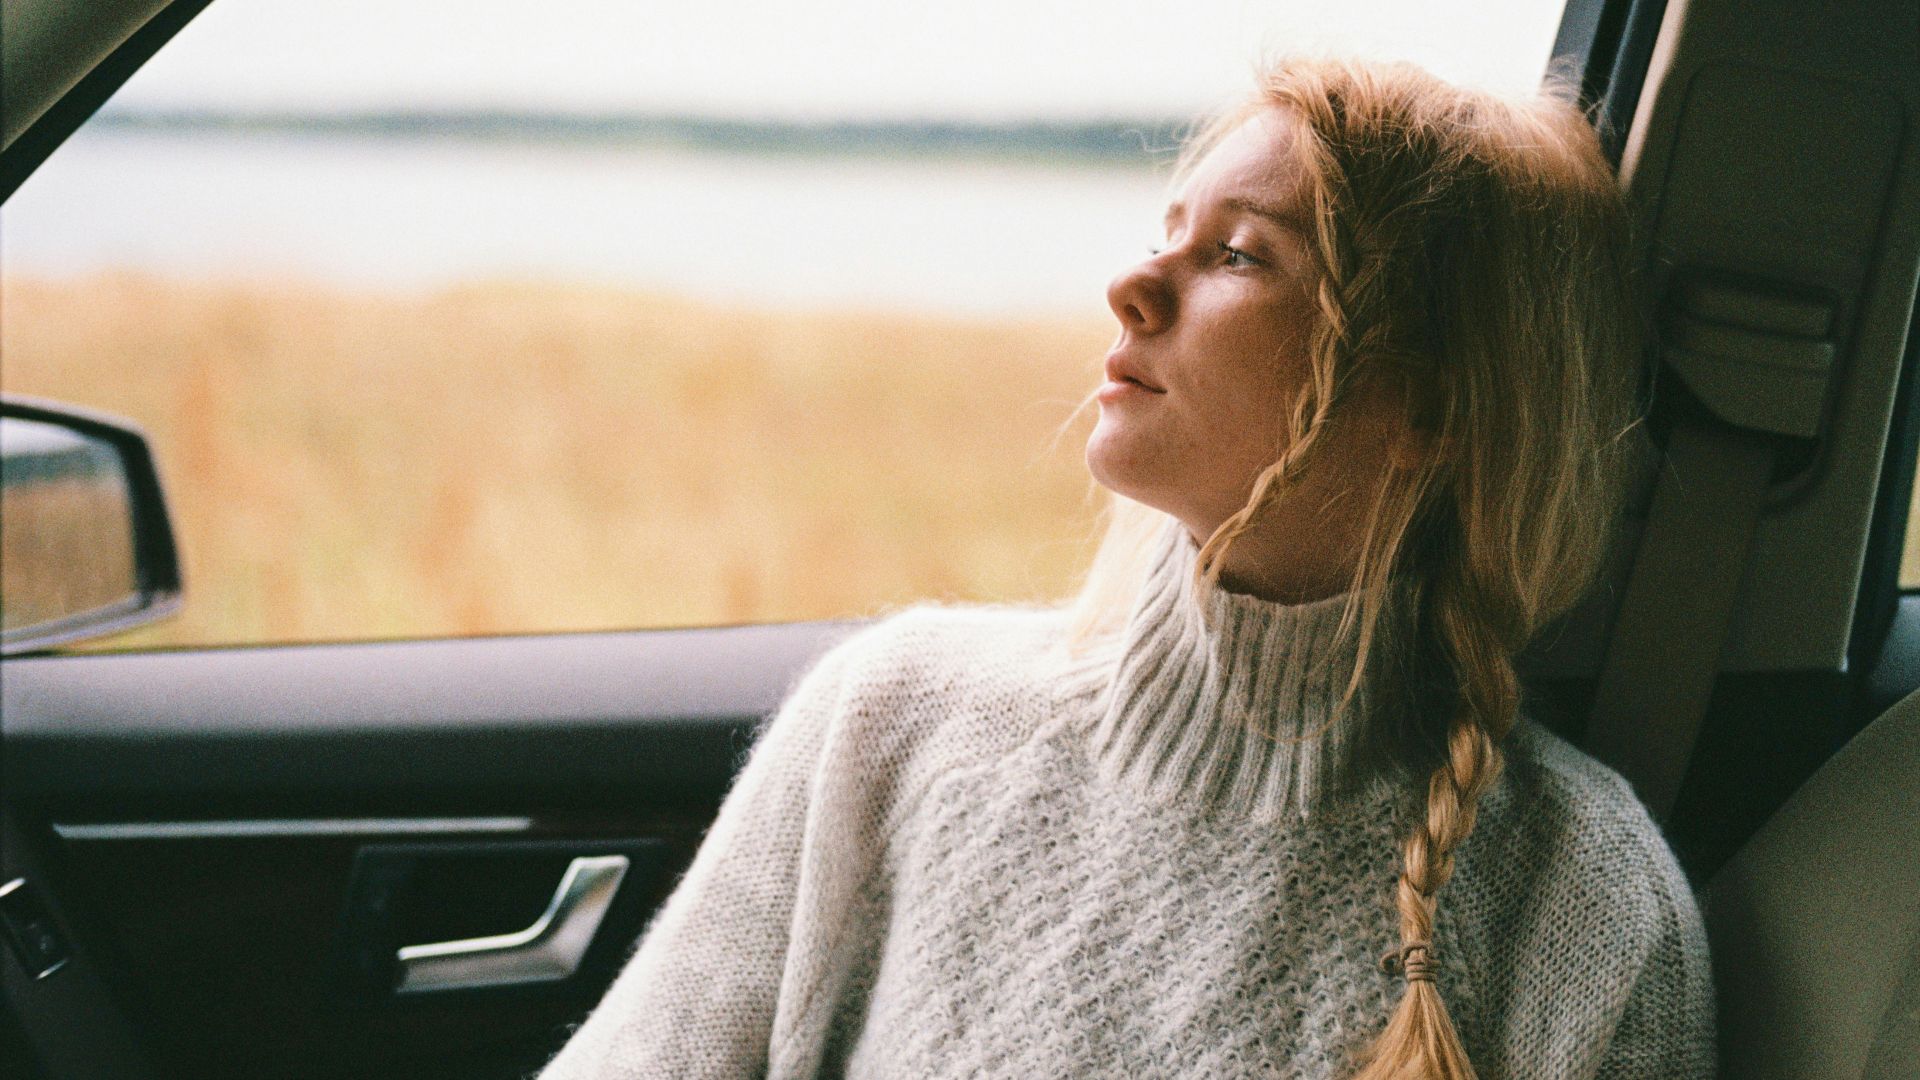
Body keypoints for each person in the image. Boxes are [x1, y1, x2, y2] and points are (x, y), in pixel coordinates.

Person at [539, 57, 1715, 1079]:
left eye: (1240, 257)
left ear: (1434, 404)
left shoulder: (1585, 904)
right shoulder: (895, 718)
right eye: (1167, 233)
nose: (1133, 286)